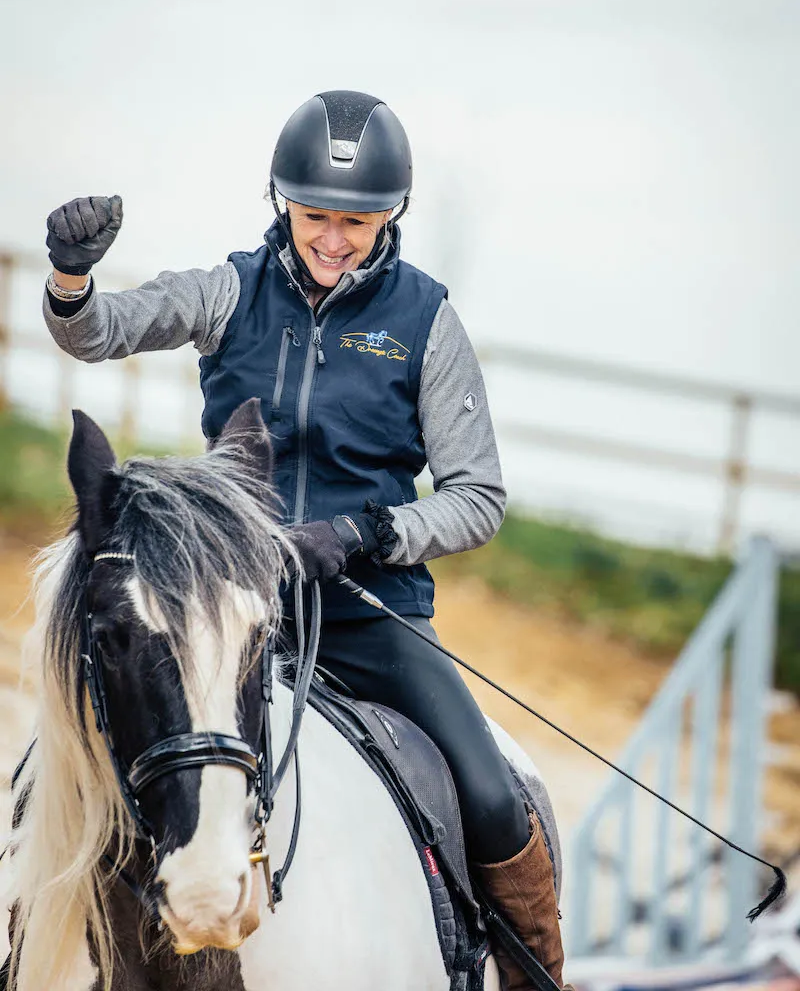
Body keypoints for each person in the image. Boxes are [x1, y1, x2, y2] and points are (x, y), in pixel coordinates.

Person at [43, 90, 566, 990]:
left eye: (358, 222)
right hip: (224, 617)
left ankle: (535, 974)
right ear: (281, 201)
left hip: (371, 618)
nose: (334, 238)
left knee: (490, 794)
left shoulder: (426, 323)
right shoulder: (229, 290)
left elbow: (478, 497)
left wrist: (368, 529)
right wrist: (69, 280)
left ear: (392, 215)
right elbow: (98, 333)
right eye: (317, 215)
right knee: (91, 748)